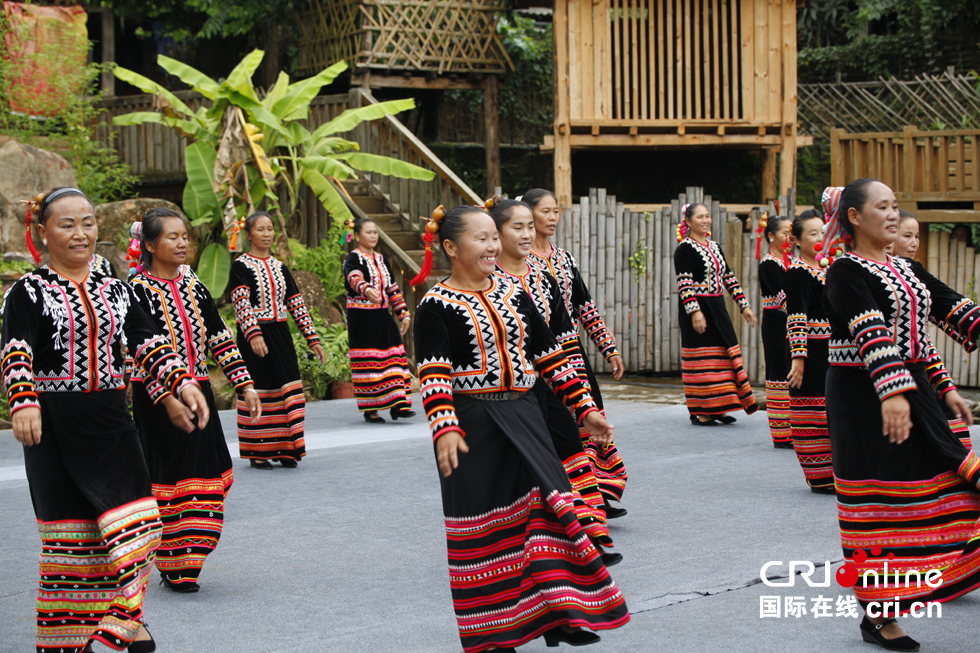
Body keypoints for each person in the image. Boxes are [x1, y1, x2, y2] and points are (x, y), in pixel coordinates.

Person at [413, 204, 629, 652]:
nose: (493, 246)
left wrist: (584, 408)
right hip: (473, 424)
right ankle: (493, 634)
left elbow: (551, 354)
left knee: (549, 513)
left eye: (495, 237)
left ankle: (560, 614)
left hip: (527, 414)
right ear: (451, 247)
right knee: (485, 533)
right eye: (482, 238)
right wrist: (445, 426)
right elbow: (433, 372)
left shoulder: (513, 289)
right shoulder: (435, 305)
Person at [2, 187, 209, 653]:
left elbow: (146, 339)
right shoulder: (27, 292)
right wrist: (23, 399)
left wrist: (180, 382)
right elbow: (16, 348)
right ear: (43, 232)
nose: (80, 234)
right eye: (67, 224)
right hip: (55, 428)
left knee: (140, 528)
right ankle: (68, 640)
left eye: (88, 223)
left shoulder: (114, 288)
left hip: (112, 421)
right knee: (72, 541)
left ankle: (120, 621)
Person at [822, 180, 980, 651]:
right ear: (854, 217)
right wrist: (892, 392)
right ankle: (879, 615)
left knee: (956, 480)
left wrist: (943, 388)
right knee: (881, 508)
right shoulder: (844, 272)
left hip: (914, 393)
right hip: (862, 400)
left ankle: (950, 568)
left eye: (896, 206)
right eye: (883, 207)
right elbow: (870, 329)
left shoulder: (907, 270)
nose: (893, 214)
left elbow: (953, 311)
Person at [128, 209, 262, 593]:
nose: (182, 242)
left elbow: (218, 336)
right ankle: (172, 561)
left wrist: (244, 384)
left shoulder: (194, 285)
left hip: (199, 390)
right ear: (150, 245)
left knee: (209, 475)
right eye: (172, 237)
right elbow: (136, 351)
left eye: (184, 235)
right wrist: (168, 394)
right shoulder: (135, 290)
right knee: (167, 480)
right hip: (158, 399)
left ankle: (188, 557)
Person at [489, 197, 619, 566]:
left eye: (530, 225)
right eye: (519, 227)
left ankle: (590, 537)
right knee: (524, 467)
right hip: (512, 390)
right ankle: (525, 548)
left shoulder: (543, 274)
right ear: (495, 234)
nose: (529, 233)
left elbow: (563, 334)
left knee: (572, 453)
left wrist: (577, 389)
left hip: (552, 383)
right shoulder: (489, 282)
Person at [523, 188, 628, 517]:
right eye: (545, 211)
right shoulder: (519, 262)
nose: (552, 218)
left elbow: (584, 306)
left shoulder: (564, 258)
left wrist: (608, 348)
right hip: (539, 355)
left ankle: (597, 491)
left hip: (572, 349)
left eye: (556, 211)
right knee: (558, 422)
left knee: (590, 413)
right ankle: (571, 497)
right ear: (528, 216)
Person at [229, 212, 325, 469]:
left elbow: (296, 303)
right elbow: (241, 303)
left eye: (270, 229)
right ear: (248, 235)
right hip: (255, 338)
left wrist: (312, 339)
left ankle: (285, 447)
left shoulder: (280, 267)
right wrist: (254, 334)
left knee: (287, 387)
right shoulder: (240, 266)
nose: (267, 233)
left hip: (280, 334)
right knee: (260, 388)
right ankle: (258, 450)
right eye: (260, 229)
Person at [892, 210, 974, 450]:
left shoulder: (910, 269)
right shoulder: (855, 268)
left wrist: (965, 334)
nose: (915, 242)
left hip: (918, 356)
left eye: (916, 236)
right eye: (907, 236)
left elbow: (940, 307)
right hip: (887, 363)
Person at [673, 202, 758, 424]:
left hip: (717, 307)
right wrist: (694, 312)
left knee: (723, 355)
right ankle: (700, 411)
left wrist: (744, 306)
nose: (705, 220)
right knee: (700, 359)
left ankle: (718, 407)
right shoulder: (684, 249)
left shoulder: (715, 247)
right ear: (688, 222)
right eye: (699, 217)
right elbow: (685, 285)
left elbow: (728, 277)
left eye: (707, 216)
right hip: (697, 307)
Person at [342, 218, 415, 424]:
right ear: (357, 235)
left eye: (375, 232)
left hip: (381, 315)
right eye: (368, 232)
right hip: (362, 318)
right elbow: (353, 277)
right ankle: (371, 408)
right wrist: (366, 289)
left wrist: (403, 313)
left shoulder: (381, 260)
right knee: (369, 361)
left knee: (395, 355)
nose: (373, 236)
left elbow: (391, 288)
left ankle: (398, 404)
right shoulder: (353, 258)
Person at [784, 212, 835, 493]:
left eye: (822, 232)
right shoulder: (797, 272)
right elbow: (796, 317)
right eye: (813, 233)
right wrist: (799, 359)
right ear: (798, 241)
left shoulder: (832, 268)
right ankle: (819, 475)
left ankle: (840, 470)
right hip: (813, 351)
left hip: (836, 349)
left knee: (834, 407)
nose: (819, 238)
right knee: (812, 409)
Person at [758, 214, 794, 448]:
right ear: (771, 236)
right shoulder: (769, 263)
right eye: (784, 233)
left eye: (792, 233)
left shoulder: (790, 260)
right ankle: (782, 432)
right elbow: (783, 298)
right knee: (779, 373)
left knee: (791, 371)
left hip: (791, 321)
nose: (789, 237)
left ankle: (795, 426)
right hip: (776, 323)